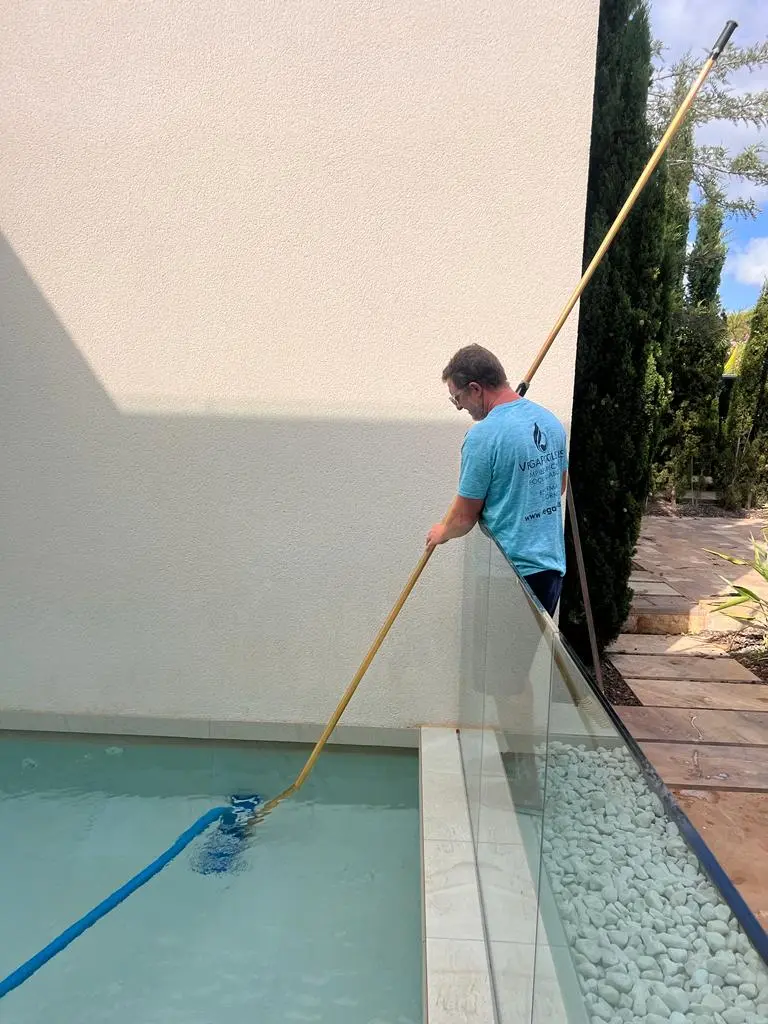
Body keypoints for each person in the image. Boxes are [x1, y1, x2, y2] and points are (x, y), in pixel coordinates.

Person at [426, 344, 568, 616]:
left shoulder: (483, 436)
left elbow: (462, 519)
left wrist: (440, 533)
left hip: (509, 572)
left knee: (498, 659)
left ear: (476, 389)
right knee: (521, 658)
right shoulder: (550, 422)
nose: (459, 407)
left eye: (457, 398)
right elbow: (557, 488)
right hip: (551, 569)